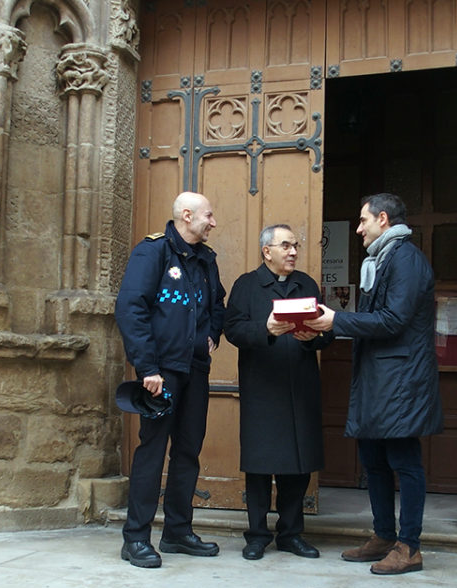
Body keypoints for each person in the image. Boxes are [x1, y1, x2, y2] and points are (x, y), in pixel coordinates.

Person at [305, 193, 442, 575]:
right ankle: (384, 535)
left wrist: (337, 321)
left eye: (363, 221)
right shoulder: (381, 258)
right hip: (379, 379)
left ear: (383, 219)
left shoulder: (406, 259)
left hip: (401, 382)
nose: (358, 228)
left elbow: (393, 320)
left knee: (404, 461)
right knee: (373, 461)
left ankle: (409, 546)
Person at [114, 191, 227, 569]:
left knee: (188, 451)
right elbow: (131, 308)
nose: (213, 223)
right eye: (208, 216)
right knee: (152, 450)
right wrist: (147, 368)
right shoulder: (153, 252)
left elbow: (217, 304)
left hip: (195, 369)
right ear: (187, 214)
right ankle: (136, 539)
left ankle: (177, 531)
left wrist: (213, 333)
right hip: (161, 373)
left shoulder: (206, 259)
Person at [224, 225, 333, 561]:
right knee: (259, 464)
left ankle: (291, 534)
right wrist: (265, 330)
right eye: (285, 245)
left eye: (295, 245)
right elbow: (232, 329)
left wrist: (313, 338)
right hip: (262, 387)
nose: (293, 252)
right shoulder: (246, 285)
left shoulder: (307, 284)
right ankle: (257, 535)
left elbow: (327, 331)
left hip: (300, 385)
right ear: (266, 251)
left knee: (297, 464)